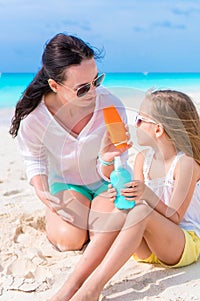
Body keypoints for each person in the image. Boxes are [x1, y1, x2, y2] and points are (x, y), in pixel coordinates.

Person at [32, 89, 200, 301]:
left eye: (140, 119)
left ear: (159, 129)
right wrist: (112, 175)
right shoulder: (143, 159)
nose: (134, 123)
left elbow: (174, 215)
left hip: (183, 244)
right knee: (124, 209)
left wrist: (146, 195)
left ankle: (91, 290)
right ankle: (70, 286)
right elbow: (135, 202)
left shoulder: (185, 164)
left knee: (141, 210)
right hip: (149, 248)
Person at [9, 32, 131, 252]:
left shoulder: (111, 105)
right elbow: (33, 158)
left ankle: (90, 213)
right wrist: (42, 192)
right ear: (55, 86)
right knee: (70, 241)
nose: (94, 91)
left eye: (97, 81)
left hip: (107, 181)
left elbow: (120, 161)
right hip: (67, 183)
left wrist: (107, 161)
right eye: (83, 88)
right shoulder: (35, 118)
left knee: (103, 238)